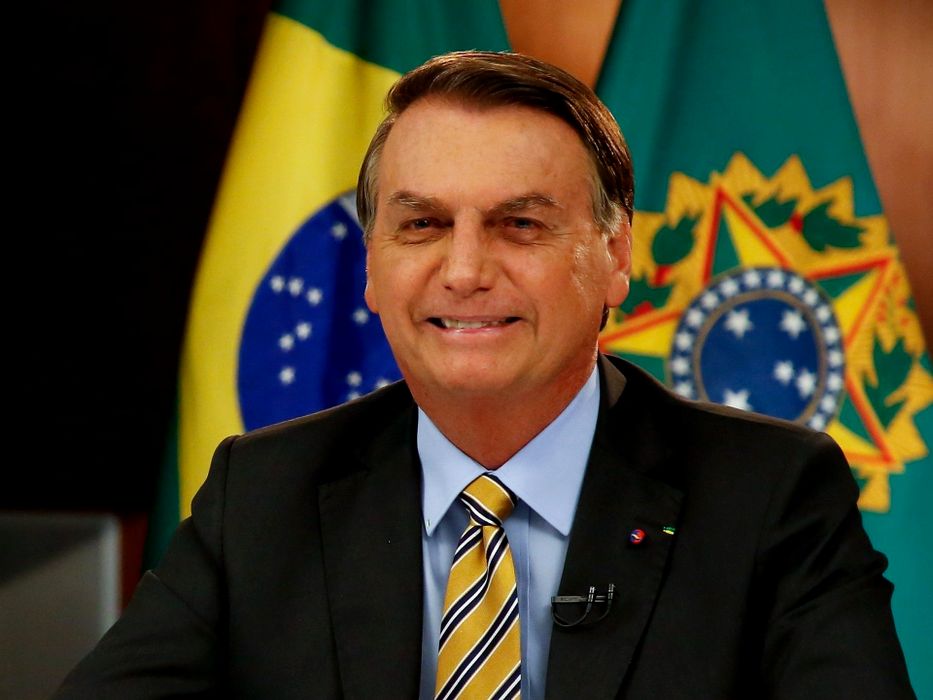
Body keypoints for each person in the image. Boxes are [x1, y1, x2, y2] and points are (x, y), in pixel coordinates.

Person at [57, 51, 913, 699]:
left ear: (615, 255)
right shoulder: (264, 493)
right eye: (422, 225)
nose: (464, 271)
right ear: (370, 265)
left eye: (519, 225)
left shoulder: (770, 496)